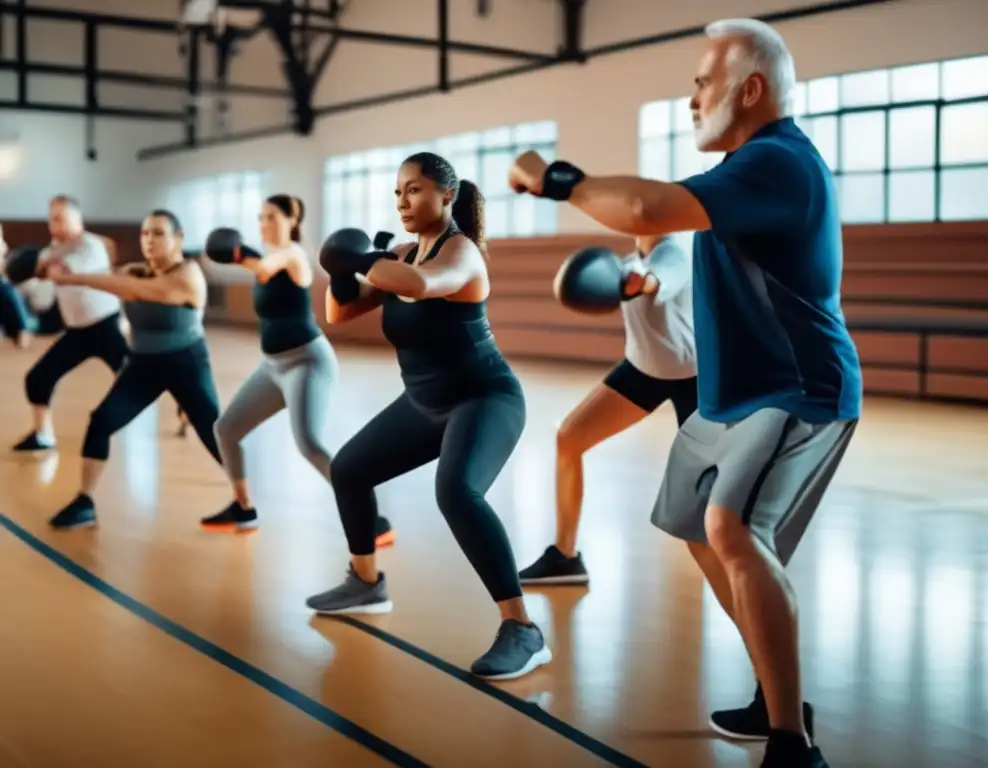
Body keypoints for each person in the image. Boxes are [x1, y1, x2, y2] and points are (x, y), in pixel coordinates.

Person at [506, 17, 862, 768]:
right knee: (698, 526)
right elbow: (653, 216)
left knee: (735, 531)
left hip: (800, 389)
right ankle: (775, 693)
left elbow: (644, 210)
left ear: (751, 88)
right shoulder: (747, 168)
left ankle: (792, 741)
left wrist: (554, 179)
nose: (692, 98)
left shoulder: (779, 162)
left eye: (704, 81)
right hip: (732, 394)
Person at [308, 151, 551, 681]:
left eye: (414, 190)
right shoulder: (400, 253)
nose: (403, 201)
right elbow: (340, 314)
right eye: (398, 192)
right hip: (424, 402)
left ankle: (523, 628)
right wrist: (341, 271)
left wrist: (362, 257)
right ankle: (366, 583)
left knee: (457, 492)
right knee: (349, 469)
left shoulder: (462, 253)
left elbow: (421, 286)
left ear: (446, 194)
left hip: (484, 397)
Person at [197, 195, 395, 547]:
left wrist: (237, 252)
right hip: (272, 366)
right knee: (225, 430)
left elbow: (265, 268)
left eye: (272, 216)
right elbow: (258, 267)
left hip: (307, 361)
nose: (264, 222)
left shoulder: (293, 255)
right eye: (260, 217)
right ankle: (243, 509)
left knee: (310, 444)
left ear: (292, 219)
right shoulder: (265, 258)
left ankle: (372, 519)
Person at [518, 234, 698, 585]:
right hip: (643, 370)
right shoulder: (629, 261)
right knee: (569, 437)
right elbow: (635, 277)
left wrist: (643, 284)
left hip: (695, 376)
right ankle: (565, 557)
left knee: (703, 482)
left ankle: (744, 559)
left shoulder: (674, 254)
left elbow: (657, 279)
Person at [44, 209, 226, 529]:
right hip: (142, 365)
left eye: (158, 233)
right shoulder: (134, 271)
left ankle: (246, 502)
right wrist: (51, 264)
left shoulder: (187, 275)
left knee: (216, 433)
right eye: (145, 233)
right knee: (100, 421)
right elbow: (110, 275)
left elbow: (135, 290)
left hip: (186, 363)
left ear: (178, 238)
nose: (149, 240)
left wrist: (70, 278)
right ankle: (84, 502)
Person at [11, 196, 127, 453]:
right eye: (52, 219)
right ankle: (43, 435)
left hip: (106, 327)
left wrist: (43, 267)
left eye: (61, 218)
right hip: (76, 332)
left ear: (78, 219)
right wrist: (35, 267)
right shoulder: (50, 251)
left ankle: (182, 408)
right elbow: (39, 277)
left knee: (140, 378)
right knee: (37, 378)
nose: (56, 225)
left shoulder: (90, 246)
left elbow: (63, 277)